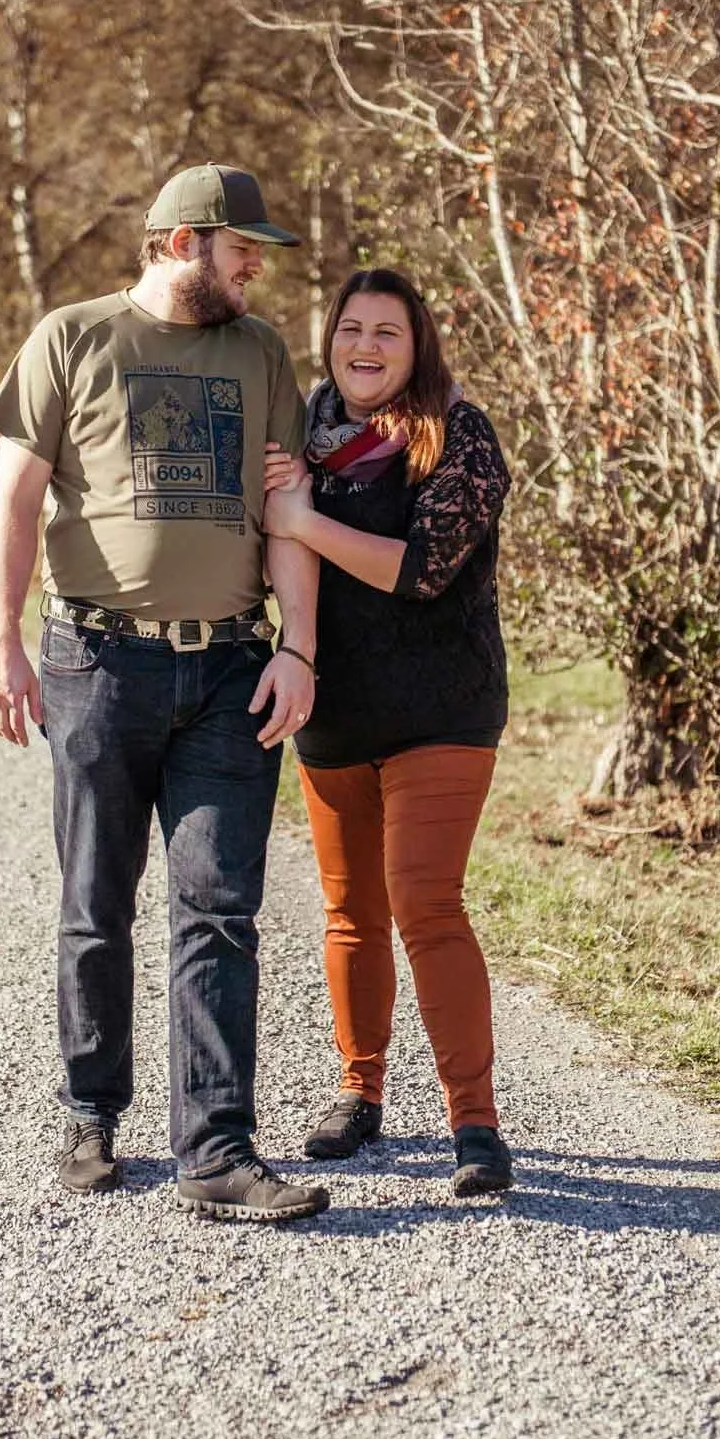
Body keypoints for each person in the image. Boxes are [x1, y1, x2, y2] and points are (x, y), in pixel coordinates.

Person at [0, 163, 328, 1224]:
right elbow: (14, 500)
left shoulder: (261, 351)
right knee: (96, 902)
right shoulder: (69, 338)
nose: (256, 264)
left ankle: (217, 1148)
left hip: (230, 665)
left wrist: (298, 649)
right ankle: (91, 1111)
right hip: (95, 660)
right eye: (241, 247)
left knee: (220, 908)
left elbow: (289, 508)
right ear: (181, 242)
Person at [263, 267, 514, 1196]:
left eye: (388, 333)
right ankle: (359, 1092)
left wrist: (302, 520)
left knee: (424, 901)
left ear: (419, 346)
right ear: (329, 337)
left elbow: (424, 567)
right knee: (350, 912)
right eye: (351, 328)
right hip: (334, 711)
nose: (365, 347)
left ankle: (476, 1123)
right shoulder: (303, 433)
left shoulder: (460, 433)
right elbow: (266, 539)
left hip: (443, 708)